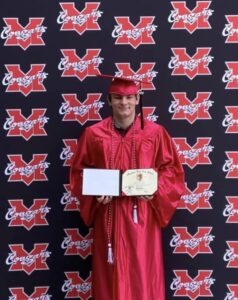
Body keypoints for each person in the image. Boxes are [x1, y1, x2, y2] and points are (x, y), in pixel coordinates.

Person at [70, 75, 185, 300]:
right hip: (109, 218)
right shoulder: (94, 135)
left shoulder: (155, 133)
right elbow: (79, 173)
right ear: (109, 100)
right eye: (118, 97)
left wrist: (154, 190)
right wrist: (95, 196)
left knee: (143, 278)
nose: (125, 103)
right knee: (109, 279)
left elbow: (172, 172)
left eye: (130, 97)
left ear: (137, 99)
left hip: (142, 220)